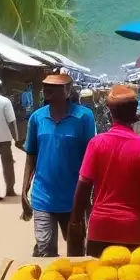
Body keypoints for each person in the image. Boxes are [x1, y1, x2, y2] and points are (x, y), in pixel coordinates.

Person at [70, 85, 140, 257]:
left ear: (110, 113)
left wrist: (76, 221)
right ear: (135, 114)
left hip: (100, 227)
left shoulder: (96, 143)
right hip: (133, 229)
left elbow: (84, 185)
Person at [21, 73, 96, 257]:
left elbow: (92, 155)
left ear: (68, 90)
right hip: (43, 196)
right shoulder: (37, 118)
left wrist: (91, 194)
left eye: (55, 87)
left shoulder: (84, 117)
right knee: (45, 248)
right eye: (46, 86)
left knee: (76, 252)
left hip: (75, 198)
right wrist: (24, 189)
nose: (48, 90)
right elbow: (31, 154)